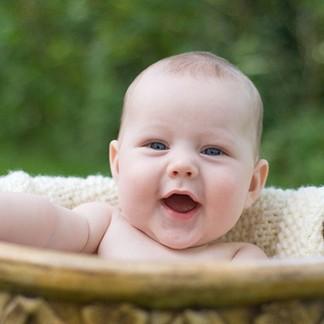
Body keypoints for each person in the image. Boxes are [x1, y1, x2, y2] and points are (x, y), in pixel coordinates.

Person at [0, 52, 269, 261]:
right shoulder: (106, 228)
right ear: (118, 164)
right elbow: (50, 225)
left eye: (212, 151)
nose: (183, 165)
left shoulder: (239, 259)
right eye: (157, 145)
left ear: (252, 184)